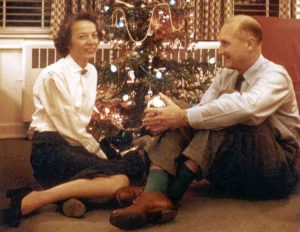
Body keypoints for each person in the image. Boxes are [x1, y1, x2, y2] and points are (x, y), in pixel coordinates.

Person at [109, 15, 300, 230]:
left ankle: (166, 193)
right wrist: (177, 115)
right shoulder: (226, 74)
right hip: (233, 171)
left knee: (228, 111)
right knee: (187, 112)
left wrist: (182, 116)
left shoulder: (275, 76)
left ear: (250, 44)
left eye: (225, 43)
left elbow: (247, 108)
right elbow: (200, 113)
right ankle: (154, 194)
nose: (220, 50)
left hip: (273, 173)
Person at [2, 12, 146, 228]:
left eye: (94, 35)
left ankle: (68, 197)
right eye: (82, 37)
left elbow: (78, 126)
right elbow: (69, 127)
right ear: (67, 42)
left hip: (73, 144)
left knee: (121, 175)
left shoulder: (92, 71)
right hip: (51, 150)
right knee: (120, 178)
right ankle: (35, 199)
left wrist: (97, 152)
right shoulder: (53, 76)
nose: (91, 42)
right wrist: (99, 154)